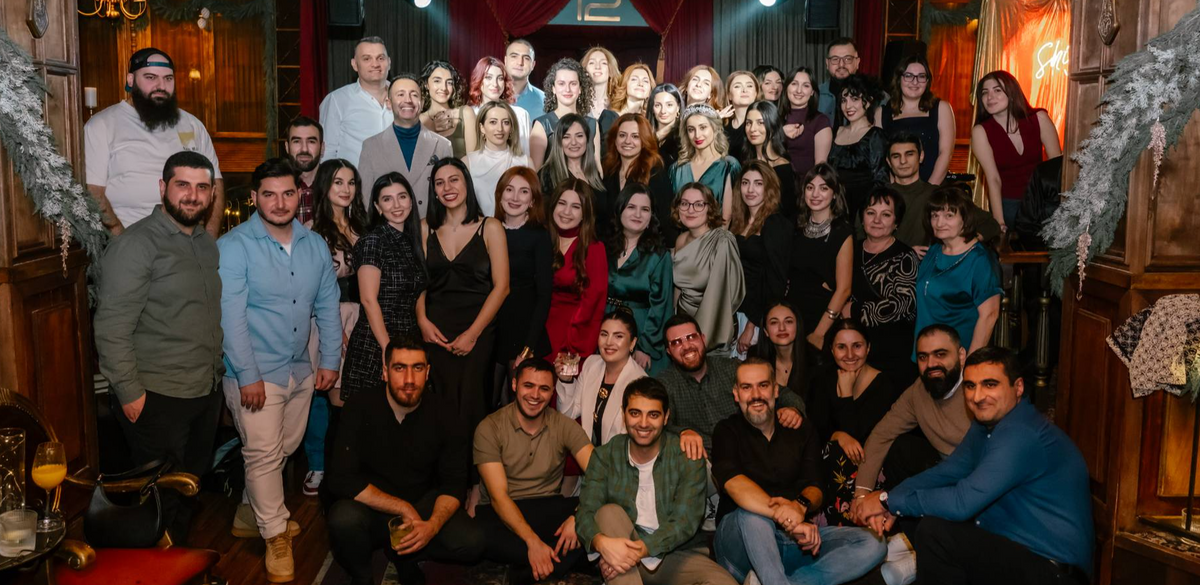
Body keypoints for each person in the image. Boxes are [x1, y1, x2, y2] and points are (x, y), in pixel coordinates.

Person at [854, 346, 1093, 585]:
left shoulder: (1021, 434)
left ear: (1018, 387)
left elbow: (962, 503)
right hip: (1012, 547)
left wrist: (887, 501)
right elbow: (948, 472)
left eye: (990, 384)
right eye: (970, 386)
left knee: (935, 531)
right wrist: (894, 501)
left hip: (1052, 571)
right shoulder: (986, 425)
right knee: (917, 507)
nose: (977, 397)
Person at [218, 158, 342, 581]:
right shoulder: (234, 246)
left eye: (288, 193)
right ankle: (275, 534)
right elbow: (231, 317)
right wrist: (247, 375)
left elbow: (327, 305)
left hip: (300, 368)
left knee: (283, 447)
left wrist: (329, 360)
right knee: (264, 454)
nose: (279, 202)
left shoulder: (314, 244)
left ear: (299, 195)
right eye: (269, 194)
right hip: (255, 372)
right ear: (255, 198)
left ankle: (248, 512)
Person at [95, 151, 223, 544]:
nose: (192, 195)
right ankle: (151, 568)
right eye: (183, 185)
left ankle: (177, 565)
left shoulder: (205, 243)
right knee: (158, 503)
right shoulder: (136, 245)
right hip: (157, 397)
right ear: (163, 187)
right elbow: (112, 326)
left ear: (211, 194)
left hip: (203, 391)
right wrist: (129, 392)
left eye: (202, 187)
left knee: (187, 492)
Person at [711, 358, 887, 585]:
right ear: (736, 394)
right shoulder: (726, 430)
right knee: (752, 514)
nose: (756, 395)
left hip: (791, 540)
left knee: (874, 544)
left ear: (775, 390)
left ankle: (786, 582)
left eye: (763, 385)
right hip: (740, 544)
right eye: (747, 387)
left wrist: (800, 505)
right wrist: (788, 519)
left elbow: (815, 486)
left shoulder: (801, 429)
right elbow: (735, 484)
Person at [326, 338, 485, 585]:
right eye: (400, 368)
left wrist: (431, 527)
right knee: (343, 519)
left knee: (472, 542)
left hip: (423, 503)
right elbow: (341, 479)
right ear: (385, 372)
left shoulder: (445, 412)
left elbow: (454, 483)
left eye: (417, 368)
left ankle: (407, 555)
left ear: (427, 372)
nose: (409, 379)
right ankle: (362, 576)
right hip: (373, 506)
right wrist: (402, 508)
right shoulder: (359, 406)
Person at [575, 377, 738, 585]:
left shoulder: (687, 456)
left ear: (666, 417)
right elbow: (585, 512)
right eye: (635, 413)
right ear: (624, 414)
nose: (643, 423)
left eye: (653, 415)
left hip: (675, 554)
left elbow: (685, 521)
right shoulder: (604, 456)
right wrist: (602, 545)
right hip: (623, 550)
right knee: (608, 513)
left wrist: (639, 550)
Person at [474, 358, 594, 584]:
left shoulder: (565, 425)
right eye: (528, 386)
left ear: (552, 391)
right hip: (501, 513)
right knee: (476, 540)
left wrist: (579, 517)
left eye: (544, 388)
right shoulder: (490, 427)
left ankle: (528, 569)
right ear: (514, 385)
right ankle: (553, 559)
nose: (535, 395)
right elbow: (498, 497)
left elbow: (601, 475)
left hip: (546, 508)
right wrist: (533, 542)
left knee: (599, 515)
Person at [85, 48, 224, 237]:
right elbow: (94, 192)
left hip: (187, 242)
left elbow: (216, 184)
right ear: (130, 80)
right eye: (150, 77)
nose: (161, 86)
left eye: (168, 78)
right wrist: (124, 243)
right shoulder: (102, 125)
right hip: (129, 239)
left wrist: (209, 240)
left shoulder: (193, 125)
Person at [416, 158, 510, 428]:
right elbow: (419, 282)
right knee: (436, 409)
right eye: (440, 183)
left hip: (478, 331)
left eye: (454, 180)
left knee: (472, 408)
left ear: (467, 183)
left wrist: (472, 334)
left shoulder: (491, 227)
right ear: (434, 191)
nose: (447, 188)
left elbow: (502, 287)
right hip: (435, 331)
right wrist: (422, 321)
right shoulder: (424, 227)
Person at [301, 158, 369, 496]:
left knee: (355, 397)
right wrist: (335, 329)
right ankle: (321, 466)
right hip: (329, 316)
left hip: (363, 315)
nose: (346, 189)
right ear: (324, 186)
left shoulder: (363, 225)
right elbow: (310, 286)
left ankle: (350, 467)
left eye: (351, 182)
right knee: (324, 397)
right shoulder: (311, 229)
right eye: (338, 182)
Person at [656, 314, 806, 460]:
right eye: (676, 342)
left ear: (703, 338)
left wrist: (793, 409)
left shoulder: (731, 369)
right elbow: (654, 424)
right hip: (700, 461)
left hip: (746, 455)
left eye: (691, 337)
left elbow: (781, 392)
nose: (686, 346)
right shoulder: (664, 384)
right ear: (668, 351)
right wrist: (682, 431)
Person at [340, 173, 427, 406]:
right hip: (376, 343)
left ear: (411, 201)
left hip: (408, 340)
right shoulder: (373, 241)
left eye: (402, 197)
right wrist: (387, 350)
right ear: (378, 207)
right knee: (371, 415)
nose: (396, 205)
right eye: (387, 199)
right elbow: (369, 300)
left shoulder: (412, 241)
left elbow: (418, 288)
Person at [809, 320, 897, 527]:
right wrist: (838, 435)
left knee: (842, 453)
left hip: (869, 463)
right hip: (829, 462)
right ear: (832, 349)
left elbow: (861, 436)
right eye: (841, 347)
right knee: (833, 450)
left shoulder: (883, 384)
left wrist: (846, 396)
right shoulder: (821, 379)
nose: (850, 354)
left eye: (857, 346)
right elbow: (814, 430)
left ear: (868, 348)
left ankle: (850, 527)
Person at [915, 185, 1002, 355]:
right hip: (925, 352)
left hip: (956, 356)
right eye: (935, 215)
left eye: (949, 215)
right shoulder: (934, 251)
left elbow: (989, 316)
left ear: (965, 219)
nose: (939, 223)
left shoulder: (980, 260)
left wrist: (970, 364)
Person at [971, 70, 1062, 230]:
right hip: (1009, 204)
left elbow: (1057, 167)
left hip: (1043, 202)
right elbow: (993, 179)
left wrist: (1063, 207)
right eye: (985, 93)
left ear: (1012, 93)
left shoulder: (1039, 118)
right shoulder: (981, 131)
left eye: (997, 90)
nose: (990, 97)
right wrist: (999, 223)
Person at [848, 186, 919, 389]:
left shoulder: (905, 256)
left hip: (892, 353)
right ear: (862, 218)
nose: (877, 220)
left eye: (886, 214)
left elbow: (904, 304)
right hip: (851, 351)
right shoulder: (850, 249)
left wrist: (855, 311)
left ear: (896, 222)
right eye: (871, 213)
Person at [493, 167, 554, 401]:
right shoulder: (488, 229)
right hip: (492, 330)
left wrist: (528, 347)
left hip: (523, 331)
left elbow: (544, 295)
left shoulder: (539, 236)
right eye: (509, 189)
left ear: (532, 200)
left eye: (524, 191)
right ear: (500, 194)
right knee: (486, 403)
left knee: (518, 403)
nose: (515, 197)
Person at [886, 133, 1000, 256]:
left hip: (931, 264)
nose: (903, 161)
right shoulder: (879, 198)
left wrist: (962, 245)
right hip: (888, 265)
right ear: (888, 161)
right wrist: (904, 253)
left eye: (909, 154)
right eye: (896, 156)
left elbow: (990, 224)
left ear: (921, 156)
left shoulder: (938, 195)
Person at [358, 73, 454, 218]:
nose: (408, 100)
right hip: (388, 228)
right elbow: (365, 199)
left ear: (422, 102)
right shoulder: (371, 146)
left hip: (430, 226)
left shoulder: (442, 145)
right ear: (389, 103)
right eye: (400, 94)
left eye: (414, 95)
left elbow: (449, 196)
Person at [605, 183, 675, 375]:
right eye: (631, 207)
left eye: (645, 209)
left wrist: (646, 347)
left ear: (651, 216)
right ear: (620, 209)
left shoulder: (658, 255)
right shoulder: (605, 249)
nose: (638, 214)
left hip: (642, 333)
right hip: (606, 332)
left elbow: (662, 305)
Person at [786, 164, 853, 354]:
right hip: (793, 316)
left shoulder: (842, 232)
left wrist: (819, 333)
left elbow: (844, 289)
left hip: (821, 318)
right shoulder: (796, 226)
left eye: (823, 188)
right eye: (810, 187)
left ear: (835, 193)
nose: (815, 194)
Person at [557, 310, 649, 447]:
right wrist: (566, 380)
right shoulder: (591, 364)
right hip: (588, 455)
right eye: (604, 334)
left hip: (619, 458)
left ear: (632, 343)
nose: (609, 342)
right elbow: (568, 415)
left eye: (618, 336)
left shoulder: (641, 384)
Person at [730, 162, 793, 359]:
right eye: (745, 183)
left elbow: (775, 282)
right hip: (737, 309)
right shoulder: (738, 221)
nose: (750, 189)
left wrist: (752, 325)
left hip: (757, 316)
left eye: (758, 183)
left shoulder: (775, 224)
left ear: (769, 188)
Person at [672, 183, 745, 353]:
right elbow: (678, 288)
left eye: (699, 204)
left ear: (710, 208)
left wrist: (700, 336)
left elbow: (723, 296)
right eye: (684, 203)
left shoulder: (722, 241)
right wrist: (674, 322)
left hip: (712, 326)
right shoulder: (681, 240)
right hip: (683, 323)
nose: (690, 210)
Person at [545, 179, 610, 362]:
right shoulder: (542, 240)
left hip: (571, 336)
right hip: (537, 333)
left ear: (585, 214)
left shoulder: (594, 248)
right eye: (562, 203)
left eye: (575, 207)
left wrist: (572, 347)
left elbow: (593, 303)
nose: (566, 212)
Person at [877, 54, 955, 185]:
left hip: (934, 188)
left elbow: (946, 153)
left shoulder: (942, 108)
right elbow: (879, 157)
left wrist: (929, 190)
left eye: (921, 76)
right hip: (894, 190)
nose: (915, 82)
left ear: (927, 81)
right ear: (899, 79)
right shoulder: (881, 113)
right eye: (908, 76)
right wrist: (894, 189)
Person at [601, 113, 676, 242]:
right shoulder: (606, 170)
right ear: (615, 139)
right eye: (622, 135)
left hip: (645, 247)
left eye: (635, 136)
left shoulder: (655, 174)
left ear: (644, 141)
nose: (627, 141)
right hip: (610, 246)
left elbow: (665, 220)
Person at [319, 37, 393, 166]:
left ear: (389, 62)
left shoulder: (406, 98)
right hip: (355, 178)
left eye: (380, 58)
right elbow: (327, 153)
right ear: (354, 64)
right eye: (367, 59)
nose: (375, 64)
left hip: (399, 178)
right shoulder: (337, 100)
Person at [828, 74, 889, 218]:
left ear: (868, 102)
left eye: (855, 99)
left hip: (862, 211)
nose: (848, 106)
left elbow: (881, 180)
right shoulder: (835, 132)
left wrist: (867, 213)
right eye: (844, 100)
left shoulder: (875, 136)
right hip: (835, 208)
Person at [671, 105, 741, 223]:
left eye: (703, 127)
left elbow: (729, 217)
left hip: (718, 233)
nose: (697, 135)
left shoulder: (729, 165)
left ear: (715, 128)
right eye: (691, 129)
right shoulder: (677, 169)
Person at [465, 101, 531, 216]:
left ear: (511, 128)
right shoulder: (468, 162)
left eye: (506, 122)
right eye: (493, 122)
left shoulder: (525, 162)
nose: (500, 128)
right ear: (482, 127)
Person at [530, 58, 599, 168]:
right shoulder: (542, 125)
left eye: (573, 84)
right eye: (561, 84)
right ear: (553, 88)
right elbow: (535, 171)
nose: (567, 89)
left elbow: (597, 167)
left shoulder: (592, 124)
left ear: (580, 89)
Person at [538, 113, 607, 215]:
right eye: (566, 137)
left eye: (579, 136)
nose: (573, 142)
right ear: (559, 141)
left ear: (587, 139)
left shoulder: (594, 173)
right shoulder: (547, 174)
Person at [742, 101, 798, 221]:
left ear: (773, 125)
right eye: (748, 123)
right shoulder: (745, 163)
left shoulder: (782, 167)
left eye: (760, 123)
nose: (752, 129)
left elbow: (788, 213)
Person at [468, 56, 533, 156]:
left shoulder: (520, 115)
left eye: (500, 78)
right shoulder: (470, 114)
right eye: (488, 77)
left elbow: (526, 153)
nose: (495, 84)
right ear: (479, 80)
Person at [749, 301, 809, 402]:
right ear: (766, 331)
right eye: (774, 322)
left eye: (788, 321)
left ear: (798, 326)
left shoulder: (816, 362)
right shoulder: (756, 358)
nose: (782, 328)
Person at [418, 60, 478, 159]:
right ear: (426, 84)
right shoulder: (418, 120)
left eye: (449, 82)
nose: (444, 88)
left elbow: (474, 160)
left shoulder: (466, 113)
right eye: (437, 81)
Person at [780, 67, 832, 180]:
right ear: (786, 87)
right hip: (775, 184)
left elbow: (820, 167)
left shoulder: (820, 121)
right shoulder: (776, 118)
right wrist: (780, 133)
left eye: (806, 86)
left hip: (805, 184)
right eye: (794, 84)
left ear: (812, 92)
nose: (799, 90)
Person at [284, 116, 324, 225]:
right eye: (297, 141)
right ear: (287, 147)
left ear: (322, 147)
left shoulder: (336, 186)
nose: (304, 149)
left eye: (311, 141)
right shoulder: (276, 188)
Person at [583, 46, 621, 147]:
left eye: (603, 63)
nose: (597, 67)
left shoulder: (619, 103)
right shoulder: (577, 103)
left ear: (611, 70)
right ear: (585, 70)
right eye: (592, 63)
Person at [819, 38, 861, 120]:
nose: (841, 64)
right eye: (835, 59)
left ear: (857, 62)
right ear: (827, 63)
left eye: (848, 59)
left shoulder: (874, 95)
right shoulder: (814, 95)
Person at [722, 71, 759, 163]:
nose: (744, 90)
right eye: (737, 86)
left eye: (749, 86)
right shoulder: (722, 125)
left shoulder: (764, 123)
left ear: (756, 93)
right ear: (729, 95)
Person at [505, 39, 546, 118]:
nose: (520, 62)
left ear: (533, 65)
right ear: (505, 60)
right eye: (514, 56)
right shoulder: (492, 95)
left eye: (526, 58)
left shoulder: (545, 101)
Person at [650, 84, 684, 170]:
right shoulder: (643, 133)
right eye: (657, 105)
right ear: (652, 108)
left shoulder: (684, 137)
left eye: (669, 105)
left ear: (678, 107)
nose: (663, 111)